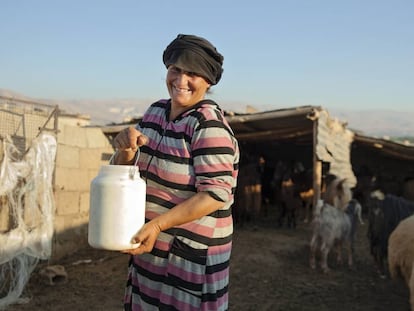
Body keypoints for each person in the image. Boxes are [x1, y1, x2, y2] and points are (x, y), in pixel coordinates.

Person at [112, 34, 239, 311]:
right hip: (150, 247)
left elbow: (215, 195)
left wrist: (158, 224)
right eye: (176, 70)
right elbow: (127, 174)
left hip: (189, 255)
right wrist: (125, 148)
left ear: (208, 81)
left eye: (192, 73)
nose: (181, 81)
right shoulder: (155, 112)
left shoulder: (208, 125)